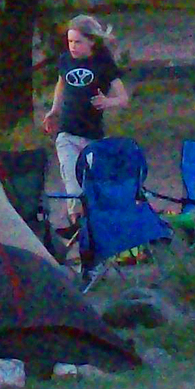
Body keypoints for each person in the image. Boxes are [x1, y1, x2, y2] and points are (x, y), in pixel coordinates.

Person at [40, 14, 130, 231]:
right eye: (70, 41)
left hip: (93, 136)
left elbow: (123, 99)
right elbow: (61, 86)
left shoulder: (103, 63)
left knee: (91, 184)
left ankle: (93, 228)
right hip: (67, 133)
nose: (73, 46)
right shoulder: (65, 61)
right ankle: (76, 226)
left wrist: (107, 102)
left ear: (91, 41)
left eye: (78, 41)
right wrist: (54, 110)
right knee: (72, 181)